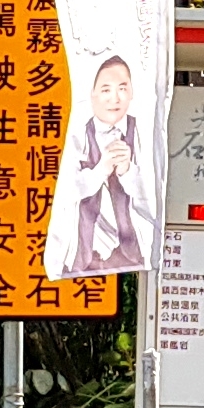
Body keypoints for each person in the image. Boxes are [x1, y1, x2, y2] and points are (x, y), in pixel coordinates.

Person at [47, 53, 156, 278]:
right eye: (106, 90)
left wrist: (128, 172)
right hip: (83, 254)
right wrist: (100, 171)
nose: (114, 98)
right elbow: (66, 190)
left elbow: (154, 193)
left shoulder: (141, 133)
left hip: (132, 251)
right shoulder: (78, 134)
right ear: (93, 94)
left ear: (132, 93)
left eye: (122, 89)